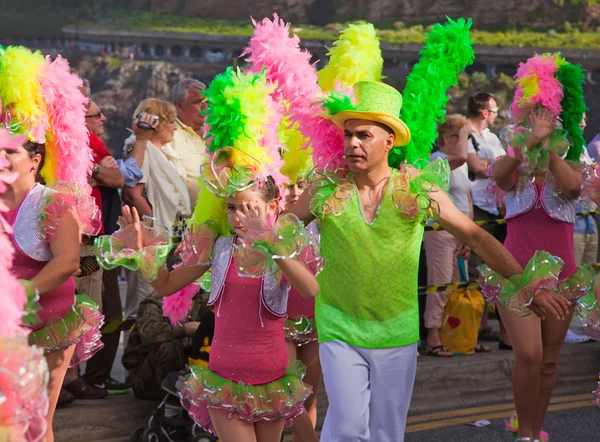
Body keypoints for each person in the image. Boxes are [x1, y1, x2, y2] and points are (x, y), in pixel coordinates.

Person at [287, 80, 543, 441]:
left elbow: (475, 236)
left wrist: (526, 284)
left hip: (396, 329)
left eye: (364, 135)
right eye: (347, 135)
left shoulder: (417, 187)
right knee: (345, 427)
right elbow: (281, 229)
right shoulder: (325, 187)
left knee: (387, 433)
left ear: (389, 141)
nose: (352, 144)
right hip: (339, 326)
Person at [96, 67, 318, 442]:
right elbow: (165, 286)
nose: (238, 216)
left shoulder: (284, 247)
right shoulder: (218, 248)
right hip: (223, 377)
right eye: (231, 208)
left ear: (273, 206)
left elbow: (310, 290)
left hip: (273, 377)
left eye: (248, 207)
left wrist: (270, 244)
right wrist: (141, 250)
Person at [0, 47, 104, 442]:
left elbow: (66, 262)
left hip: (46, 325)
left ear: (35, 160)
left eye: (9, 153)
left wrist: (21, 291)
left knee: (34, 425)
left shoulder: (53, 204)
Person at [491, 53, 587, 442]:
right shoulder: (511, 158)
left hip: (561, 274)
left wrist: (548, 149)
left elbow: (573, 188)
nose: (540, 125)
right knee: (528, 354)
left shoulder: (571, 161)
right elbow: (499, 176)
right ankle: (526, 433)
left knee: (548, 362)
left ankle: (530, 430)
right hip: (515, 272)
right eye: (532, 120)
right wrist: (526, 146)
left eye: (547, 121)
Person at [423, 114, 490, 357]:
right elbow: (462, 156)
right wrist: (465, 132)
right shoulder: (438, 160)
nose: (468, 142)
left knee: (457, 285)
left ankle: (457, 336)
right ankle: (432, 336)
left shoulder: (459, 166)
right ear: (446, 138)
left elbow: (467, 198)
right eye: (462, 137)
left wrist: (469, 234)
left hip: (460, 230)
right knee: (440, 283)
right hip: (440, 229)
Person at [121, 98, 191, 320]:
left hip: (171, 235)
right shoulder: (140, 148)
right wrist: (157, 228)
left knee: (163, 303)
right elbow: (132, 193)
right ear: (157, 124)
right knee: (146, 301)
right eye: (170, 121)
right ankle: (138, 352)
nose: (175, 127)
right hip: (153, 238)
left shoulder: (166, 153)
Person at [465, 92, 512, 348]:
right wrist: (497, 166)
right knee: (476, 268)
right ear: (485, 112)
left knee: (496, 267)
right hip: (478, 207)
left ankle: (493, 323)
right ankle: (479, 324)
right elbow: (475, 166)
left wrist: (492, 165)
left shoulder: (493, 138)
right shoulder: (467, 134)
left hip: (497, 208)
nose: (496, 116)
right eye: (494, 112)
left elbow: (500, 165)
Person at [122, 291, 203, 400]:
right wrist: (186, 329)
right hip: (147, 378)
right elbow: (149, 333)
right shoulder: (155, 301)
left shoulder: (203, 299)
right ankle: (170, 405)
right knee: (169, 347)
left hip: (188, 372)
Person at [567, 113, 596, 343]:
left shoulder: (584, 147)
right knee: (571, 275)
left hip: (589, 222)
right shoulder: (565, 147)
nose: (584, 123)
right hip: (573, 221)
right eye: (580, 118)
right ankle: (566, 328)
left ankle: (584, 324)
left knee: (585, 276)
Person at [171, 78, 209, 206]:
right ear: (179, 105)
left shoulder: (216, 133)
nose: (205, 107)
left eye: (207, 102)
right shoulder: (169, 136)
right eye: (198, 102)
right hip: (184, 222)